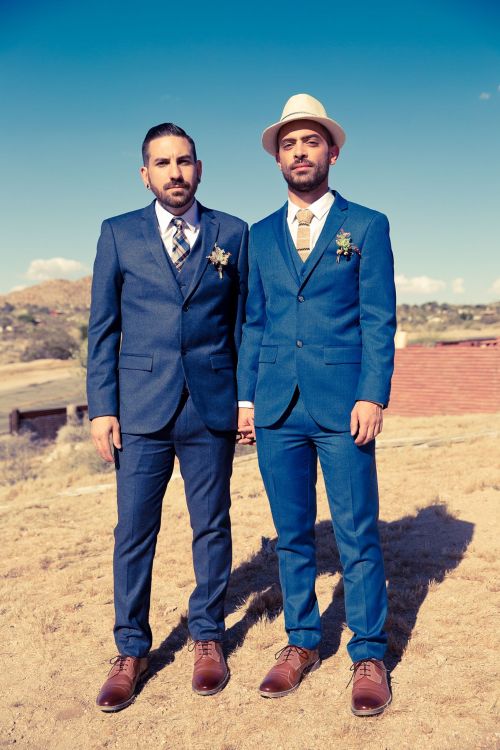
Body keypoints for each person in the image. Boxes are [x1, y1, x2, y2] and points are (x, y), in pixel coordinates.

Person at [237, 94, 396, 716]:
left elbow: (379, 320)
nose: (299, 152)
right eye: (288, 144)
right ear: (278, 158)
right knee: (292, 535)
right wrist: (247, 401)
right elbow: (253, 323)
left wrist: (371, 393)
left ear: (332, 150)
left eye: (310, 142)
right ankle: (301, 642)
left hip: (342, 404)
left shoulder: (368, 226)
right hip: (277, 407)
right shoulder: (257, 236)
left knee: (357, 533)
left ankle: (369, 653)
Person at [87, 122, 248, 711]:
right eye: (162, 163)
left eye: (184, 162)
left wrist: (244, 397)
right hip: (140, 410)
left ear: (199, 168)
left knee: (212, 524)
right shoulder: (118, 234)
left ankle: (208, 636)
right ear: (145, 174)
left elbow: (241, 324)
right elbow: (103, 330)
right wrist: (103, 406)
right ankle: (131, 648)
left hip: (211, 406)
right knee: (134, 532)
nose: (175, 173)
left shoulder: (234, 232)